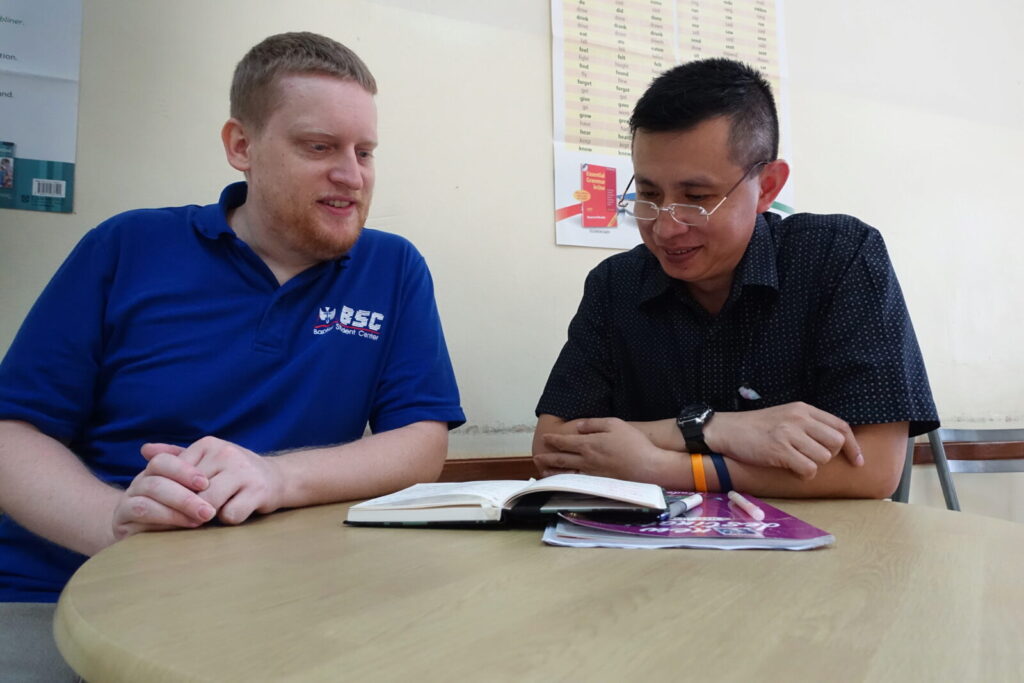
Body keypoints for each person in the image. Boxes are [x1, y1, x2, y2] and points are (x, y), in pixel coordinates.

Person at [0, 32, 464, 678]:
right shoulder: (126, 247)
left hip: (273, 609)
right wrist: (114, 523)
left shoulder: (393, 269)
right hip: (57, 594)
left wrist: (276, 477)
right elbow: (12, 433)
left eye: (365, 152)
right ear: (241, 146)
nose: (352, 176)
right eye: (319, 147)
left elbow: (421, 440)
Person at [533, 58, 937, 499]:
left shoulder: (837, 257)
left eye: (697, 198)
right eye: (649, 194)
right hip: (652, 560)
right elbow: (553, 447)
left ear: (767, 187)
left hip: (813, 556)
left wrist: (659, 463)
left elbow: (873, 469)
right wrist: (717, 428)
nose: (666, 228)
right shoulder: (617, 285)